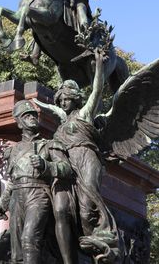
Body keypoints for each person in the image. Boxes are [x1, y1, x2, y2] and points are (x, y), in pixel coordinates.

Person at [52, 48, 120, 262]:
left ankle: (101, 247)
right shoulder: (61, 124)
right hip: (68, 163)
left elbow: (97, 90)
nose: (63, 102)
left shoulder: (85, 114)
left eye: (67, 98)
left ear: (75, 98)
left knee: (86, 209)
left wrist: (99, 66)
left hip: (87, 159)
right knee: (68, 211)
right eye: (61, 99)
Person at [0, 99, 72, 264]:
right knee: (17, 248)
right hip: (17, 197)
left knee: (29, 238)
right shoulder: (12, 151)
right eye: (27, 116)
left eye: (34, 115)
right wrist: (1, 204)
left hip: (38, 193)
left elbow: (67, 169)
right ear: (19, 123)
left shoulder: (49, 145)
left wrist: (46, 165)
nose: (32, 118)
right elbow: (12, 181)